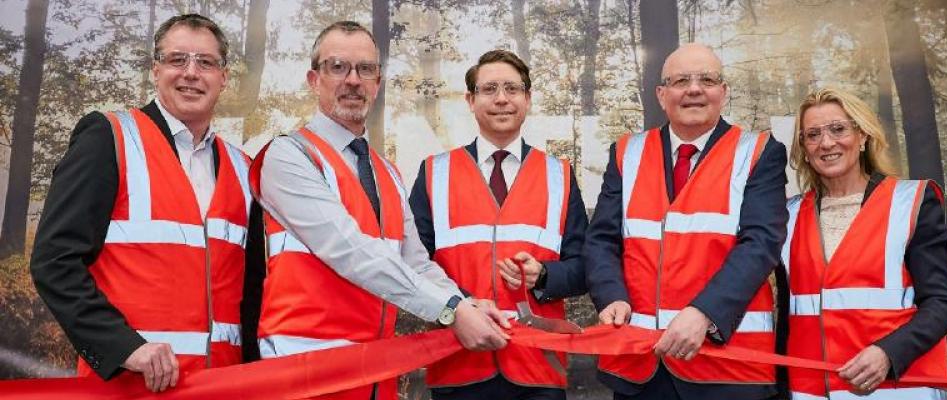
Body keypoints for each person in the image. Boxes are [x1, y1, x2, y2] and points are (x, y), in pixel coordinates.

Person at [249, 21, 510, 400]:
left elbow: (416, 262)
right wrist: (451, 309)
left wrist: (465, 302)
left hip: (373, 372)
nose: (352, 80)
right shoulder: (289, 155)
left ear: (378, 81)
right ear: (313, 78)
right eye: (337, 67)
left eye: (365, 69)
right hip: (305, 371)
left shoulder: (384, 170)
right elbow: (351, 251)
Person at [29, 14, 265, 393]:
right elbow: (54, 262)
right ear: (156, 70)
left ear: (224, 77)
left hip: (222, 387)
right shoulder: (109, 138)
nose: (191, 73)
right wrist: (123, 347)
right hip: (131, 387)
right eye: (177, 60)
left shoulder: (243, 168)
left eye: (205, 62)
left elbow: (254, 288)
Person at [584, 43, 788, 400]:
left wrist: (705, 314)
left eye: (707, 79)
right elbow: (601, 240)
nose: (694, 89)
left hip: (726, 367)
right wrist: (610, 296)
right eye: (681, 80)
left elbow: (761, 243)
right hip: (640, 366)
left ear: (723, 92)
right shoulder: (625, 153)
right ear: (662, 95)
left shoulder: (759, 152)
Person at [408, 49, 589, 400]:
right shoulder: (434, 173)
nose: (502, 99)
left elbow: (585, 267)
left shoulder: (560, 175)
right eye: (489, 89)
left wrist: (545, 277)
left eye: (512, 88)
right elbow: (413, 263)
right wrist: (459, 309)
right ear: (471, 100)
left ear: (528, 99)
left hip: (538, 367)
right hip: (459, 362)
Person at [781, 87, 947, 399]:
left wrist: (888, 353)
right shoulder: (787, 216)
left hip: (896, 389)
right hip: (811, 392)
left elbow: (940, 305)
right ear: (803, 148)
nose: (826, 143)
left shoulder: (911, 202)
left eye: (838, 129)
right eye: (812, 135)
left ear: (862, 137)